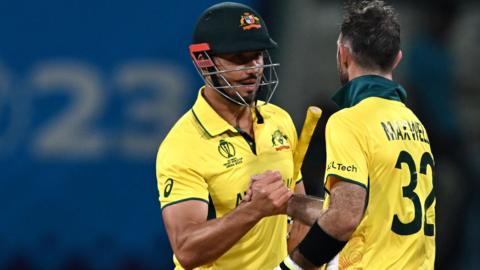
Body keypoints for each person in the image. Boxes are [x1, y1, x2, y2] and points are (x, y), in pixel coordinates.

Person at [268, 1, 436, 269]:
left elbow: (345, 218)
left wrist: (289, 267)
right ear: (397, 58)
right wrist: (289, 204)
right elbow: (367, 214)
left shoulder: (349, 122)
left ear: (343, 54)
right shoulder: (414, 123)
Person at [156, 2, 308, 269]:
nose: (254, 69)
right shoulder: (183, 146)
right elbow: (186, 250)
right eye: (239, 58)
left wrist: (340, 211)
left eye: (258, 55)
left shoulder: (279, 120)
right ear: (204, 62)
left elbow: (295, 213)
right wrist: (254, 209)